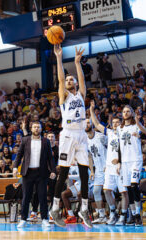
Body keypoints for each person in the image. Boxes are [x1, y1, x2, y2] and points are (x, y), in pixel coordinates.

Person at [50, 45, 92, 228]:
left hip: (81, 135)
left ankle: (84, 209)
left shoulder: (81, 95)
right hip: (67, 135)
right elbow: (60, 79)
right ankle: (54, 208)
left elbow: (82, 79)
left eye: (71, 79)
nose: (68, 81)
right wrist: (59, 58)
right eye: (67, 79)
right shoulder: (64, 97)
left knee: (85, 173)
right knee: (64, 173)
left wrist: (77, 63)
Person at [90, 102, 128, 226]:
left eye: (118, 122)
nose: (115, 124)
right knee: (106, 191)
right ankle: (113, 213)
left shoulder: (125, 133)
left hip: (121, 167)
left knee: (124, 192)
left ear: (121, 123)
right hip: (109, 168)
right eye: (114, 122)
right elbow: (96, 124)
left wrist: (120, 161)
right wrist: (91, 110)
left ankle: (123, 215)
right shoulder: (110, 133)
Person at [13, 122, 56, 228]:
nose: (36, 129)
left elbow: (50, 158)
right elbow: (19, 155)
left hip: (41, 173)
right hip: (28, 173)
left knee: (42, 196)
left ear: (41, 129)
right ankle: (23, 219)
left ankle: (45, 219)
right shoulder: (25, 140)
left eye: (38, 127)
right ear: (31, 129)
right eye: (34, 127)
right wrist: (15, 167)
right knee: (26, 197)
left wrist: (53, 171)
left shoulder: (46, 141)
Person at [85, 118, 107, 224]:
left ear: (92, 124)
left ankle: (113, 214)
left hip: (108, 168)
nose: (86, 125)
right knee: (96, 191)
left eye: (88, 122)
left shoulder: (101, 136)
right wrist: (92, 171)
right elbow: (89, 156)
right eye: (84, 123)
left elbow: (113, 148)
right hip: (98, 170)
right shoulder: (85, 140)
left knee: (109, 191)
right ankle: (102, 216)